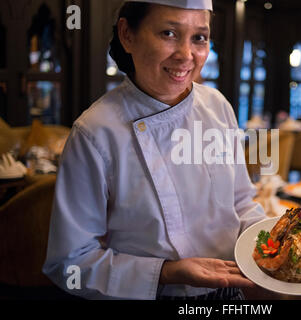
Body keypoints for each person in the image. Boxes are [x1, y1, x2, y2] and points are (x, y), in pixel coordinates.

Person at [42, 0, 266, 300]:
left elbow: (241, 203)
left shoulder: (217, 107)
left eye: (199, 37)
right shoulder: (95, 132)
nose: (186, 55)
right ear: (127, 35)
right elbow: (70, 264)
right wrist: (165, 272)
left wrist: (278, 239)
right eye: (169, 33)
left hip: (229, 296)